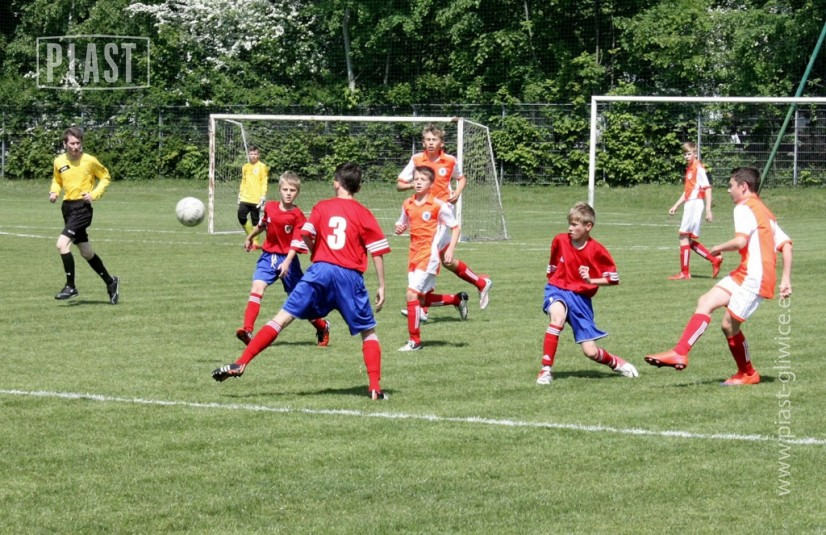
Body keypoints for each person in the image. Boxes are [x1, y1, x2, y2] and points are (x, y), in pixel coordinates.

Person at [213, 162, 392, 400]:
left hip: (319, 271)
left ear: (335, 183)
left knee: (281, 319)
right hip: (349, 276)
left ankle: (241, 362)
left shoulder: (322, 207)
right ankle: (375, 388)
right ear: (358, 188)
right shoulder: (364, 213)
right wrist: (381, 286)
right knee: (368, 332)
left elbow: (306, 235)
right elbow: (377, 251)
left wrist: (318, 253)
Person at [645, 167, 793, 385]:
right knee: (706, 301)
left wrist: (716, 248)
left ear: (744, 187)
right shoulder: (764, 211)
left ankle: (748, 373)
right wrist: (786, 279)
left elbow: (740, 242)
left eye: (731, 185)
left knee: (729, 325)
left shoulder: (744, 207)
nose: (728, 190)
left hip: (755, 277)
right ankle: (680, 352)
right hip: (745, 272)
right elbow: (786, 244)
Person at [536, 202, 638, 384]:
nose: (570, 228)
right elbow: (552, 267)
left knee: (590, 351)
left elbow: (613, 279)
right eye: (569, 223)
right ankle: (545, 371)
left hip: (581, 299)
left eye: (574, 224)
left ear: (588, 226)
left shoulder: (597, 250)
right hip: (558, 289)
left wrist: (591, 281)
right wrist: (556, 281)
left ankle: (615, 362)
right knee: (557, 318)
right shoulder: (559, 240)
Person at [397, 123, 492, 311]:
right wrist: (413, 184)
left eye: (434, 139)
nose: (431, 143)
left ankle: (420, 307)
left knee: (429, 254)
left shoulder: (449, 160)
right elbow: (399, 184)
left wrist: (457, 192)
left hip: (441, 215)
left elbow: (461, 178)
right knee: (446, 261)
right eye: (428, 140)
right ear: (423, 142)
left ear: (441, 143)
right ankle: (479, 284)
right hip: (424, 214)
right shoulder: (416, 159)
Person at [236, 171, 331, 347]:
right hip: (268, 257)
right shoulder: (270, 207)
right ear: (279, 190)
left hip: (289, 260)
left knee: (299, 301)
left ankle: (322, 326)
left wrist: (286, 263)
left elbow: (296, 243)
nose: (288, 193)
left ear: (297, 193)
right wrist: (250, 237)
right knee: (257, 288)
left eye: (292, 190)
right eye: (285, 189)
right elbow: (262, 225)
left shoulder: (297, 215)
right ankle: (247, 331)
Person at [394, 166, 469, 352]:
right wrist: (399, 228)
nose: (418, 182)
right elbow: (402, 224)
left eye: (423, 179)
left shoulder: (438, 205)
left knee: (411, 295)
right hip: (413, 255)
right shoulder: (407, 203)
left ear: (431, 184)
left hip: (429, 256)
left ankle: (414, 341)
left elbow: (455, 227)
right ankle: (456, 299)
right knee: (421, 300)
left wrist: (450, 249)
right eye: (416, 179)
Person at [49, 127, 119, 304]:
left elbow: (105, 176)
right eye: (72, 143)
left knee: (61, 244)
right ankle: (111, 282)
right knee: (87, 253)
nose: (75, 147)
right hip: (67, 208)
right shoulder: (59, 161)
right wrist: (54, 192)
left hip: (82, 209)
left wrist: (94, 194)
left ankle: (70, 286)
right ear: (65, 143)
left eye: (78, 143)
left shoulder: (89, 160)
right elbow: (57, 180)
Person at [667, 141, 723, 280]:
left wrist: (708, 210)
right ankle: (713, 259)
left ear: (695, 153)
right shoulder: (690, 168)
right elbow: (687, 191)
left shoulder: (699, 168)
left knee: (683, 236)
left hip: (695, 203)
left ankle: (685, 273)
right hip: (690, 203)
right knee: (687, 239)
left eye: (689, 154)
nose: (686, 156)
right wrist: (676, 205)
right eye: (685, 154)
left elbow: (707, 189)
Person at [238, 146, 269, 249]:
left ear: (258, 155)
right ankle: (250, 236)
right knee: (241, 215)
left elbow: (264, 182)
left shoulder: (262, 167)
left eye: (255, 154)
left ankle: (255, 243)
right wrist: (240, 194)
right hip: (245, 198)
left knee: (255, 220)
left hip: (256, 199)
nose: (253, 156)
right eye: (251, 154)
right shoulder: (245, 167)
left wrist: (263, 196)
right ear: (249, 155)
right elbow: (243, 181)